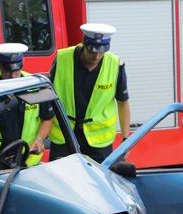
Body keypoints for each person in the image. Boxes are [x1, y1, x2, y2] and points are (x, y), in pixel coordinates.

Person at [48, 23, 130, 163]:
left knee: (97, 183)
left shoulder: (115, 65)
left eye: (101, 51)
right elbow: (47, 96)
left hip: (99, 142)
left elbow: (123, 103)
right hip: (64, 136)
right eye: (92, 50)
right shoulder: (62, 59)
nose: (97, 56)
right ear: (84, 43)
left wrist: (126, 140)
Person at [0, 43, 53, 166]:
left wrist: (39, 139)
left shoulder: (36, 85)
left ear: (22, 64)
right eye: (7, 71)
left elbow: (48, 118)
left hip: (29, 158)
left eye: (16, 71)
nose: (12, 76)